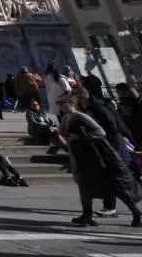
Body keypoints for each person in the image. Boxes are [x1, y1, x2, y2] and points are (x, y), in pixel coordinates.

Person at [58, 93, 142, 227]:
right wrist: (59, 135)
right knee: (83, 185)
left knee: (114, 186)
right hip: (78, 156)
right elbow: (62, 132)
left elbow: (100, 132)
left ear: (71, 104)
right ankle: (87, 215)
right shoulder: (65, 118)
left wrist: (80, 137)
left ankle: (136, 213)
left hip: (95, 158)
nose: (61, 107)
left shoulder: (82, 117)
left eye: (63, 104)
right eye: (59, 105)